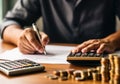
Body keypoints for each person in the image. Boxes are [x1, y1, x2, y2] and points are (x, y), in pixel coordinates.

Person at [0, 0, 120, 54]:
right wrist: (20, 37)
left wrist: (111, 41)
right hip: (50, 69)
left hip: (102, 63)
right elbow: (7, 23)